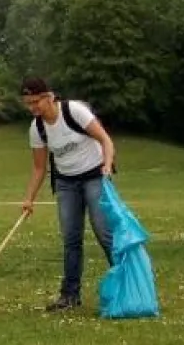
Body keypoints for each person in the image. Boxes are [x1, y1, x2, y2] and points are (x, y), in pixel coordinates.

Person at [18, 76, 117, 311]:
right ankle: (70, 296)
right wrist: (29, 198)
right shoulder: (37, 128)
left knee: (104, 233)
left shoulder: (74, 111)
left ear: (49, 97)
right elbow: (39, 168)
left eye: (36, 102)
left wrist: (107, 164)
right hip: (66, 183)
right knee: (71, 239)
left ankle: (125, 281)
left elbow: (105, 139)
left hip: (94, 175)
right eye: (28, 103)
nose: (33, 108)